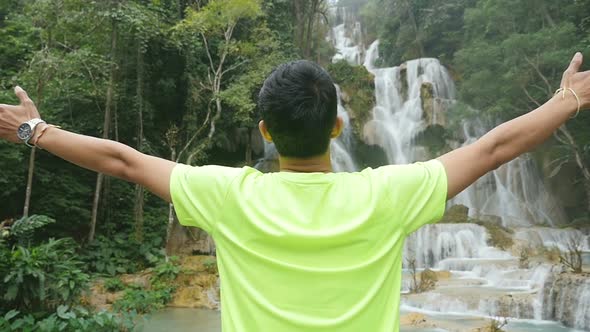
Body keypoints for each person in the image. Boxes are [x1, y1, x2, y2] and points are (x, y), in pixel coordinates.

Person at [0, 54, 588, 332]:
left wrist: (34, 130)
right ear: (338, 127)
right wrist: (568, 98)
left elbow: (123, 162)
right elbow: (492, 149)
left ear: (264, 131)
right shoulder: (387, 195)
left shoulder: (228, 195)